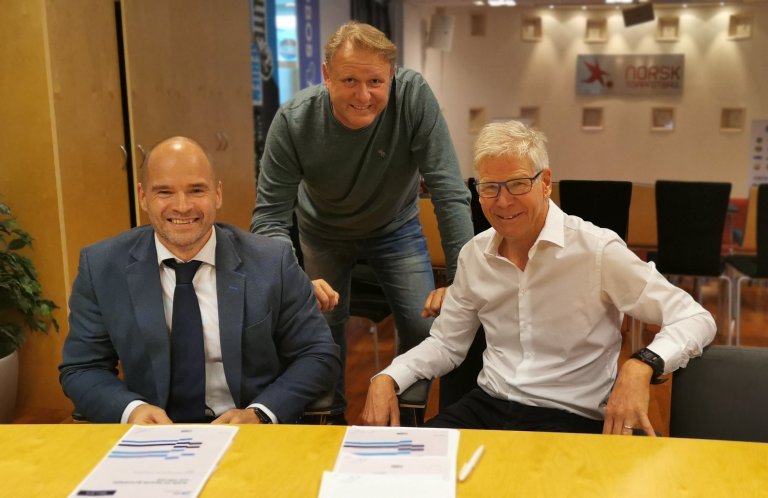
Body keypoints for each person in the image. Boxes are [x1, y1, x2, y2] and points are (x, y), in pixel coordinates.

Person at [361, 120, 716, 435]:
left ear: (545, 182)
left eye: (516, 184)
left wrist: (643, 364)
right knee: (404, 476)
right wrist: (389, 376)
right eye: (489, 187)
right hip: (488, 408)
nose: (502, 202)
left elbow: (695, 317)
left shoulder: (597, 250)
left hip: (572, 418)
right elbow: (446, 344)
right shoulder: (474, 255)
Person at [250, 21, 474, 417]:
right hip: (322, 232)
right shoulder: (294, 121)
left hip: (396, 228)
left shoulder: (414, 97)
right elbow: (269, 218)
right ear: (326, 76)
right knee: (321, 333)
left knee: (423, 327)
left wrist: (459, 279)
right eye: (349, 79)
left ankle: (407, 418)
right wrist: (292, 279)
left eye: (374, 81)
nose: (363, 95)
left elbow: (449, 189)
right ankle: (329, 421)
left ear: (391, 75)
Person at [60, 137, 340, 424]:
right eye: (165, 192)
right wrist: (132, 410)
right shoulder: (102, 266)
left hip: (248, 431)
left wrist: (260, 414)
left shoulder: (272, 261)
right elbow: (82, 367)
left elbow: (318, 354)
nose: (182, 206)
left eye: (196, 190)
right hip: (152, 436)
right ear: (143, 197)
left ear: (217, 194)